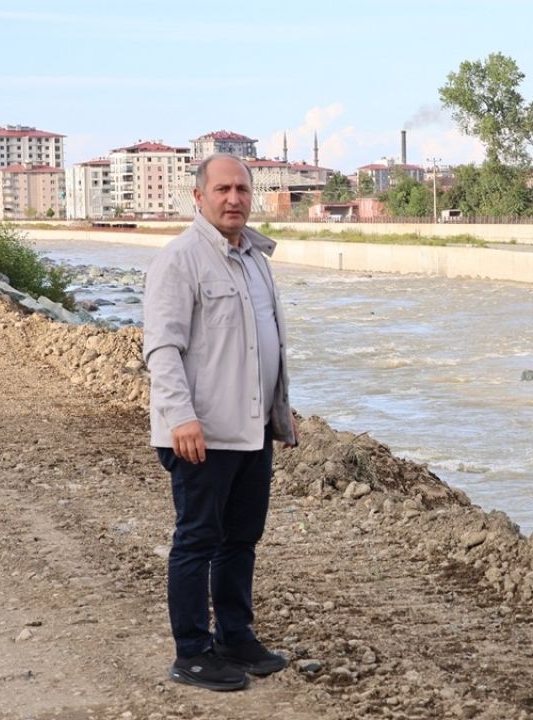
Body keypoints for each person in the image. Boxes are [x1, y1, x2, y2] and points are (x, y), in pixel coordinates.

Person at [143, 153, 298, 692]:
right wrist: (180, 417)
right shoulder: (181, 260)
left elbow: (262, 341)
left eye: (242, 189)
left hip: (252, 430)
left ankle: (236, 636)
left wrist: (279, 410)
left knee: (242, 539)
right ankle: (191, 651)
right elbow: (162, 349)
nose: (234, 198)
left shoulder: (255, 257)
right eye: (223, 189)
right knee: (198, 539)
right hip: (201, 434)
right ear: (199, 197)